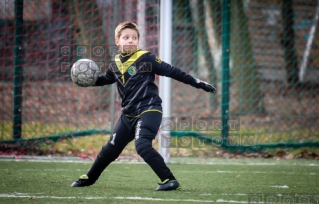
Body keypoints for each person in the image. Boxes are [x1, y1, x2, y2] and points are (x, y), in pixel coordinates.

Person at [71, 21, 216, 191]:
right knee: (111, 148)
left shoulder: (146, 58)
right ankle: (89, 178)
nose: (131, 40)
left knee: (142, 145)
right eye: (126, 37)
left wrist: (197, 82)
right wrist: (87, 80)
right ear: (117, 41)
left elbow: (173, 71)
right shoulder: (115, 63)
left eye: (134, 37)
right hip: (128, 115)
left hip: (149, 109)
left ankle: (169, 180)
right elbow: (105, 79)